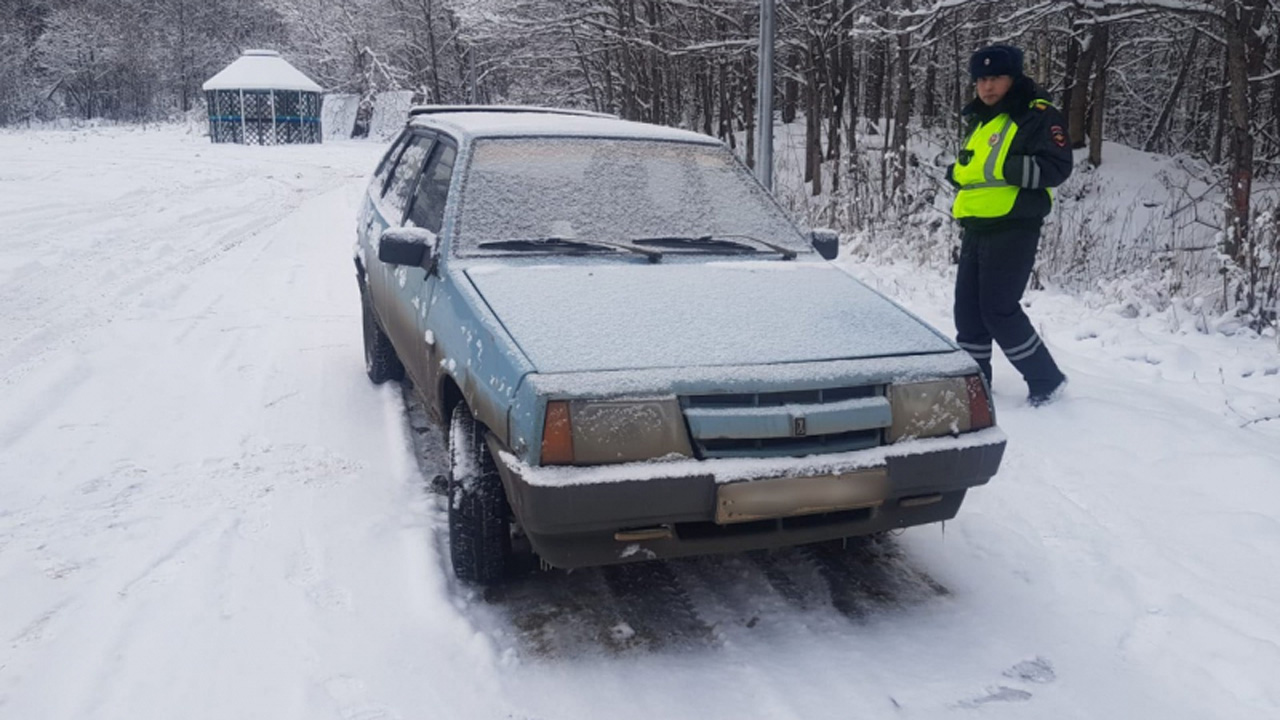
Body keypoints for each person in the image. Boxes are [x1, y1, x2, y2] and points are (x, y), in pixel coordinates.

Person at [947, 44, 1071, 407]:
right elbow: (977, 168)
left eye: (996, 78)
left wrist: (1011, 169)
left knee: (998, 309)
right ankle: (975, 382)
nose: (987, 86)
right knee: (967, 310)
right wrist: (956, 173)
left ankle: (1046, 380)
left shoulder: (1036, 114)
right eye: (981, 79)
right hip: (976, 225)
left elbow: (1058, 166)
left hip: (1015, 225)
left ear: (1013, 78)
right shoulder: (982, 119)